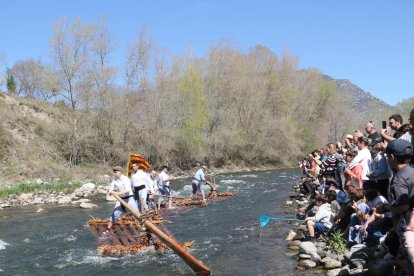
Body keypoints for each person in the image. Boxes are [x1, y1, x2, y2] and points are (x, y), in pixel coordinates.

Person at [376, 139, 414, 272]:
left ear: (392, 157)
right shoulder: (412, 171)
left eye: (387, 156)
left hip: (407, 223)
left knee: (403, 259)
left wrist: (385, 208)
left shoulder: (399, 179)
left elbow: (403, 207)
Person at [107, 166, 139, 231]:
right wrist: (110, 192)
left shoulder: (126, 179)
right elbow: (111, 188)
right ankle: (108, 229)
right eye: (114, 172)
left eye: (115, 172)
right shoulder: (114, 179)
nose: (114, 174)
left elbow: (127, 190)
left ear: (120, 172)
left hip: (129, 198)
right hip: (120, 199)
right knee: (115, 213)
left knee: (136, 213)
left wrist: (117, 193)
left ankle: (142, 227)